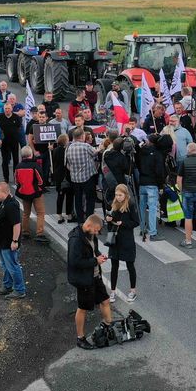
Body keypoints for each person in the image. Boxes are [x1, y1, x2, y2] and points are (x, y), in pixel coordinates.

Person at [68, 214, 114, 350]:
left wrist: (99, 255)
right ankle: (80, 338)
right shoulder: (76, 240)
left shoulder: (90, 235)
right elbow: (74, 262)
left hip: (95, 275)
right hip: (84, 280)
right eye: (95, 230)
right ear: (88, 226)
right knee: (83, 308)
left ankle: (108, 325)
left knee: (105, 300)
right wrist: (95, 261)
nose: (96, 233)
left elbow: (94, 250)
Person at [0, 182, 26, 299]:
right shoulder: (4, 203)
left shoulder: (11, 205)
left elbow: (17, 225)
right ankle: (7, 286)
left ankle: (20, 290)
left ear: (5, 193)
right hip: (1, 241)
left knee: (12, 266)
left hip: (8, 243)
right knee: (5, 265)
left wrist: (15, 241)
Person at [105, 183, 140, 301]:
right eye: (116, 195)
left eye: (120, 195)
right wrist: (108, 219)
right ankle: (113, 291)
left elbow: (136, 222)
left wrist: (123, 224)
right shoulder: (114, 204)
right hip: (115, 239)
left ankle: (133, 291)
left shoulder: (131, 204)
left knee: (130, 265)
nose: (118, 197)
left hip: (127, 239)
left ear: (125, 194)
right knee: (114, 266)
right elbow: (110, 220)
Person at [14, 146, 49, 242]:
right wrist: (40, 189)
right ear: (31, 154)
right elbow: (41, 181)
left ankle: (25, 232)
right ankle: (39, 233)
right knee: (40, 213)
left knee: (26, 213)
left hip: (24, 193)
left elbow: (16, 181)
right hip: (36, 193)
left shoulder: (18, 166)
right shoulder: (35, 166)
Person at [137, 134, 165, 241]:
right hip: (152, 183)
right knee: (152, 208)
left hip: (142, 182)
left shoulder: (141, 152)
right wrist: (160, 185)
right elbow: (159, 171)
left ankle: (142, 228)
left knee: (142, 207)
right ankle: (153, 232)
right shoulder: (157, 154)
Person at [65, 127, 97, 219]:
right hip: (87, 177)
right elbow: (95, 153)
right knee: (90, 199)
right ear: (82, 136)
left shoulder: (69, 147)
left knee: (78, 199)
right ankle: (89, 218)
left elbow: (67, 164)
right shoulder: (85, 146)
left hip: (75, 178)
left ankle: (80, 220)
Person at [0, 101, 23, 183]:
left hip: (14, 142)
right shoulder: (0, 117)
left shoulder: (16, 117)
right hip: (4, 143)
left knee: (16, 160)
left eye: (8, 108)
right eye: (6, 109)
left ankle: (16, 177)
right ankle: (6, 178)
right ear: (4, 109)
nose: (7, 110)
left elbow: (19, 126)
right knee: (5, 161)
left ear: (11, 109)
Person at [51, 132, 74, 224]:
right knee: (69, 196)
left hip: (58, 176)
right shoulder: (67, 150)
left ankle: (59, 215)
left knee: (60, 196)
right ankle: (69, 215)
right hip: (67, 175)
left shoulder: (55, 150)